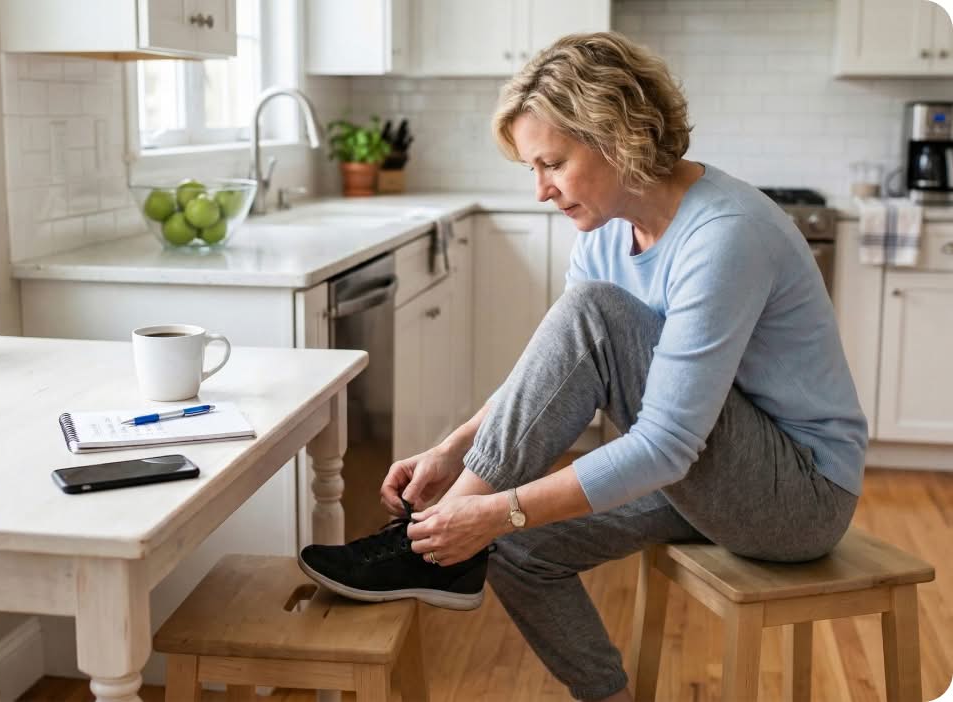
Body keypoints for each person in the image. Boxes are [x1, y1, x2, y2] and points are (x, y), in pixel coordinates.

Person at [300, 31, 867, 702]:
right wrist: (454, 450)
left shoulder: (724, 235)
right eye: (531, 169)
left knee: (580, 343)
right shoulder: (604, 233)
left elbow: (663, 446)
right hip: (710, 475)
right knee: (514, 546)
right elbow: (554, 372)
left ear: (616, 135)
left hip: (797, 498)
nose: (541, 190)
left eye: (553, 163)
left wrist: (493, 509)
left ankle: (419, 545)